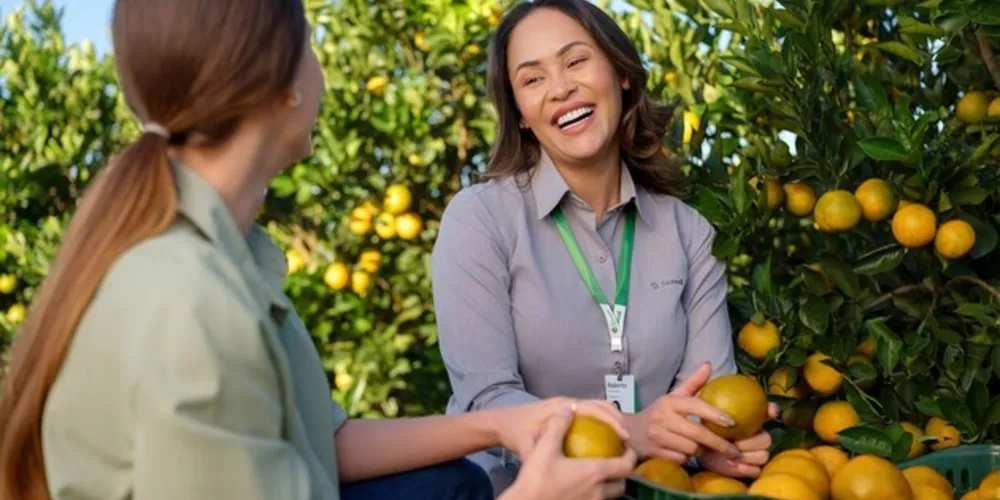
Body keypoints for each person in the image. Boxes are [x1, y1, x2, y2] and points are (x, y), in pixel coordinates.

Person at [0, 1, 638, 499]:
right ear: (284, 85)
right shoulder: (191, 303)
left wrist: (498, 426)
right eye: (310, 46)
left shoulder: (218, 258)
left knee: (453, 484)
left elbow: (319, 442)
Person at [431, 0, 778, 493]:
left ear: (621, 74)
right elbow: (487, 400)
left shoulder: (689, 232)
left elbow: (707, 395)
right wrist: (629, 433)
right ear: (522, 115)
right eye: (532, 80)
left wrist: (718, 445)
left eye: (576, 61)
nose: (560, 88)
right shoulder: (480, 220)